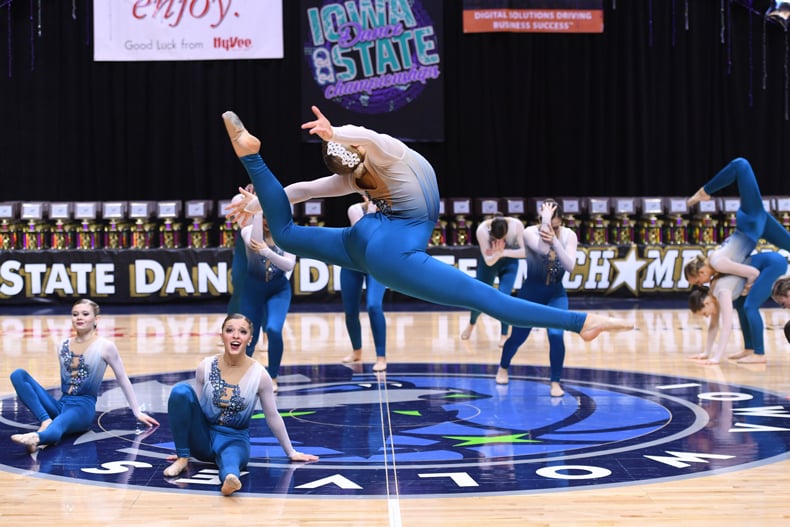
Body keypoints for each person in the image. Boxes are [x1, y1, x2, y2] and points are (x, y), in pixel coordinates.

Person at [221, 107, 632, 343]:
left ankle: (252, 158)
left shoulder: (370, 164)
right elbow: (352, 151)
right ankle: (581, 323)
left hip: (364, 240)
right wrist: (336, 133)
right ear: (355, 153)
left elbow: (304, 190)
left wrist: (257, 202)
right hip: (390, 251)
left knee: (288, 234)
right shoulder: (384, 157)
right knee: (485, 299)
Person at [162, 313, 318, 496]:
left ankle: (230, 481)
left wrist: (291, 452)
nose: (236, 335)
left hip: (234, 439)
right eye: (230, 330)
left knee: (230, 463)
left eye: (242, 332)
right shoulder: (205, 366)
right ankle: (182, 459)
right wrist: (184, 446)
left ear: (249, 340)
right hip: (203, 437)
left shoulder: (260, 375)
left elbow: (273, 416)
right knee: (180, 391)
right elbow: (193, 408)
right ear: (222, 336)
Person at [9, 299, 159, 452]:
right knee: (18, 375)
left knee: (60, 423)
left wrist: (137, 411)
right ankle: (45, 421)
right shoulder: (62, 344)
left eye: (85, 314)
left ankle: (37, 438)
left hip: (83, 410)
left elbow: (122, 379)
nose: (79, 317)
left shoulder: (105, 346)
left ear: (96, 319)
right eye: (75, 314)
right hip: (62, 404)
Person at [495, 200, 578, 397]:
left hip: (555, 294)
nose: (552, 230)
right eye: (548, 224)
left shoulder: (569, 236)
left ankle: (555, 382)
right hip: (531, 295)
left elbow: (570, 266)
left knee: (556, 336)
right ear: (541, 220)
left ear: (562, 222)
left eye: (556, 226)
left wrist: (556, 241)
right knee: (518, 337)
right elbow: (541, 249)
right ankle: (503, 367)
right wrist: (546, 223)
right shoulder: (529, 233)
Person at [226, 186, 295, 392]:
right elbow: (255, 242)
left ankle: (272, 376)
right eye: (263, 217)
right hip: (252, 289)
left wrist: (269, 253)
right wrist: (256, 209)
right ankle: (243, 374)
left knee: (273, 329)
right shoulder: (248, 231)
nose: (266, 221)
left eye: (269, 217)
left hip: (278, 289)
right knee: (248, 335)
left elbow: (289, 265)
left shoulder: (288, 236)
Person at [686, 157, 790, 288]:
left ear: (701, 271)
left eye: (697, 282)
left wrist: (748, 286)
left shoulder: (717, 263)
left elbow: (752, 273)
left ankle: (705, 191)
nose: (700, 285)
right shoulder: (717, 264)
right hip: (756, 227)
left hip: (751, 222)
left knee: (740, 165)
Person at [687, 251, 788, 364]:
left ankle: (759, 354)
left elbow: (727, 326)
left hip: (772, 264)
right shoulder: (713, 293)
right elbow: (714, 325)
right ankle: (749, 349)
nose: (707, 316)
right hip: (764, 264)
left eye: (705, 314)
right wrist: (706, 353)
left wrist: (716, 358)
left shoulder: (721, 291)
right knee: (741, 306)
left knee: (750, 307)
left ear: (706, 303)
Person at [461, 212, 525, 346]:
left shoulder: (517, 225)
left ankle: (504, 334)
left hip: (509, 262)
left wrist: (503, 252)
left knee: (504, 297)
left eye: (504, 238)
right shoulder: (482, 230)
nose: (500, 241)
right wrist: (497, 255)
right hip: (489, 264)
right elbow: (489, 262)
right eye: (496, 239)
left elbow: (526, 252)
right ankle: (472, 322)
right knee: (480, 298)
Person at [340, 195, 388, 372]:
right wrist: (370, 212)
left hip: (376, 264)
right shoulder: (354, 210)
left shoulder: (391, 213)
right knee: (350, 310)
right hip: (352, 262)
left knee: (374, 306)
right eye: (369, 195)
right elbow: (363, 236)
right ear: (364, 195)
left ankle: (381, 357)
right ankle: (356, 351)